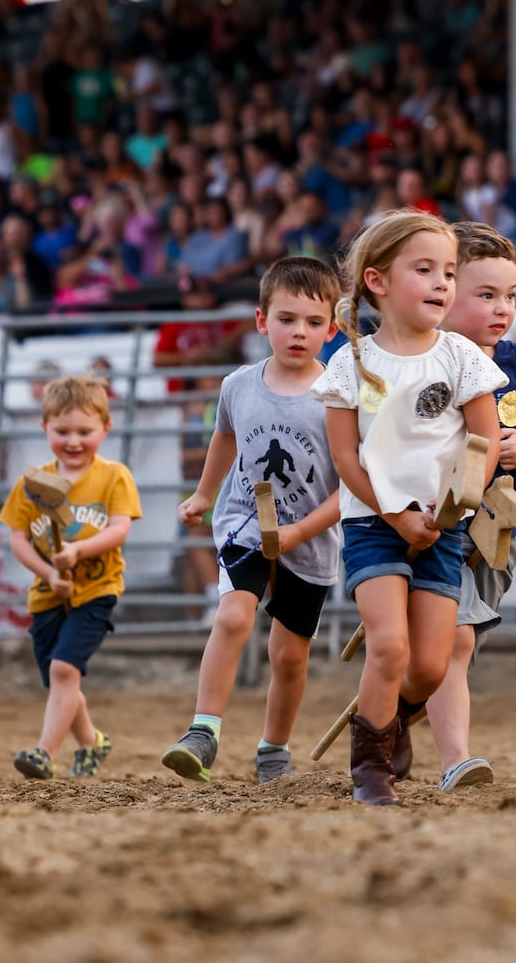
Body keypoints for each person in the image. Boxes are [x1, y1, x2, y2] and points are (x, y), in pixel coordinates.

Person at [311, 210, 505, 806]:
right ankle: (369, 771)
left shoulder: (462, 357)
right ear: (378, 281)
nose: (443, 283)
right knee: (389, 646)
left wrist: (450, 511)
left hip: (443, 531)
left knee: (427, 668)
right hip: (374, 524)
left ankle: (388, 725)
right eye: (425, 270)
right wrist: (397, 516)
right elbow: (346, 458)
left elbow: (486, 441)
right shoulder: (352, 363)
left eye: (449, 272)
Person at [160, 257, 343, 784]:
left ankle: (272, 748)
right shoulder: (238, 385)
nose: (298, 332)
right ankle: (203, 730)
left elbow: (352, 485)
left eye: (313, 323)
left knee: (288, 657)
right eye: (286, 319)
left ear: (331, 329)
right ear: (262, 321)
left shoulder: (337, 397)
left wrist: (301, 531)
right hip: (244, 520)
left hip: (309, 539)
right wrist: (204, 494)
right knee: (234, 618)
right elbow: (225, 436)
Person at [421, 222, 516, 792]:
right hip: (435, 521)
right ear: (448, 292)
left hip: (499, 526)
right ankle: (456, 758)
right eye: (486, 296)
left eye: (510, 296)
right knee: (451, 638)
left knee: (459, 645)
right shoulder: (428, 359)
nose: (502, 309)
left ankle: (392, 719)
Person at [0, 375, 142, 778]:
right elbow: (18, 537)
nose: (74, 441)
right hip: (48, 595)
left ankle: (44, 752)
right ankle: (93, 742)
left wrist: (77, 550)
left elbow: (119, 530)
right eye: (62, 432)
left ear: (105, 429)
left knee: (63, 670)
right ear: (45, 428)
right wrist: (47, 571)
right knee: (63, 678)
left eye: (85, 431)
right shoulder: (34, 484)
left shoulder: (114, 476)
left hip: (96, 591)